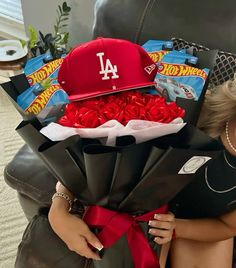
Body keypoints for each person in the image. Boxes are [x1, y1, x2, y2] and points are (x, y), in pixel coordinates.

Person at [48, 77, 236, 268]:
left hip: (199, 223)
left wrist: (177, 228)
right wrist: (58, 211)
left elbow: (228, 225)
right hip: (134, 211)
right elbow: (93, 160)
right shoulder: (196, 106)